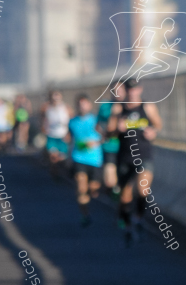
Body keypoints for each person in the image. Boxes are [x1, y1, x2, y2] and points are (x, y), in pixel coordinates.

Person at [111, 79, 162, 246]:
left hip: (144, 155)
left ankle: (138, 218)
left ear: (140, 89)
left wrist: (153, 132)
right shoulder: (119, 108)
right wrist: (116, 129)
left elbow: (158, 124)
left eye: (135, 89)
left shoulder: (147, 107)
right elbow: (109, 132)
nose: (132, 93)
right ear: (125, 91)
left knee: (143, 189)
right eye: (129, 90)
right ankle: (127, 226)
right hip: (125, 157)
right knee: (125, 196)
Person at [67, 94, 103, 227]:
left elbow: (105, 137)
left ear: (89, 105)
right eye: (80, 104)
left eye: (85, 104)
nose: (82, 107)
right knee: (81, 186)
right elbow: (69, 139)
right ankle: (85, 215)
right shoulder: (72, 122)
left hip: (95, 159)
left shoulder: (95, 121)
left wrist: (95, 142)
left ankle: (91, 192)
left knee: (93, 189)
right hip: (78, 158)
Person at [96, 85, 125, 195]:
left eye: (120, 89)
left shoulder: (129, 105)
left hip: (126, 146)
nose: (118, 93)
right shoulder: (105, 106)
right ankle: (114, 192)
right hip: (110, 145)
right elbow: (98, 124)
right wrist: (103, 134)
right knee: (110, 179)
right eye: (115, 90)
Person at [42, 91, 71, 177]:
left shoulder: (66, 108)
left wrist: (69, 133)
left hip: (62, 135)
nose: (56, 100)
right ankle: (54, 172)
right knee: (53, 156)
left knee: (62, 157)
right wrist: (44, 129)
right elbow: (43, 120)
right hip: (52, 135)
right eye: (54, 99)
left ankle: (61, 170)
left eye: (57, 98)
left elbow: (71, 120)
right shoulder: (46, 108)